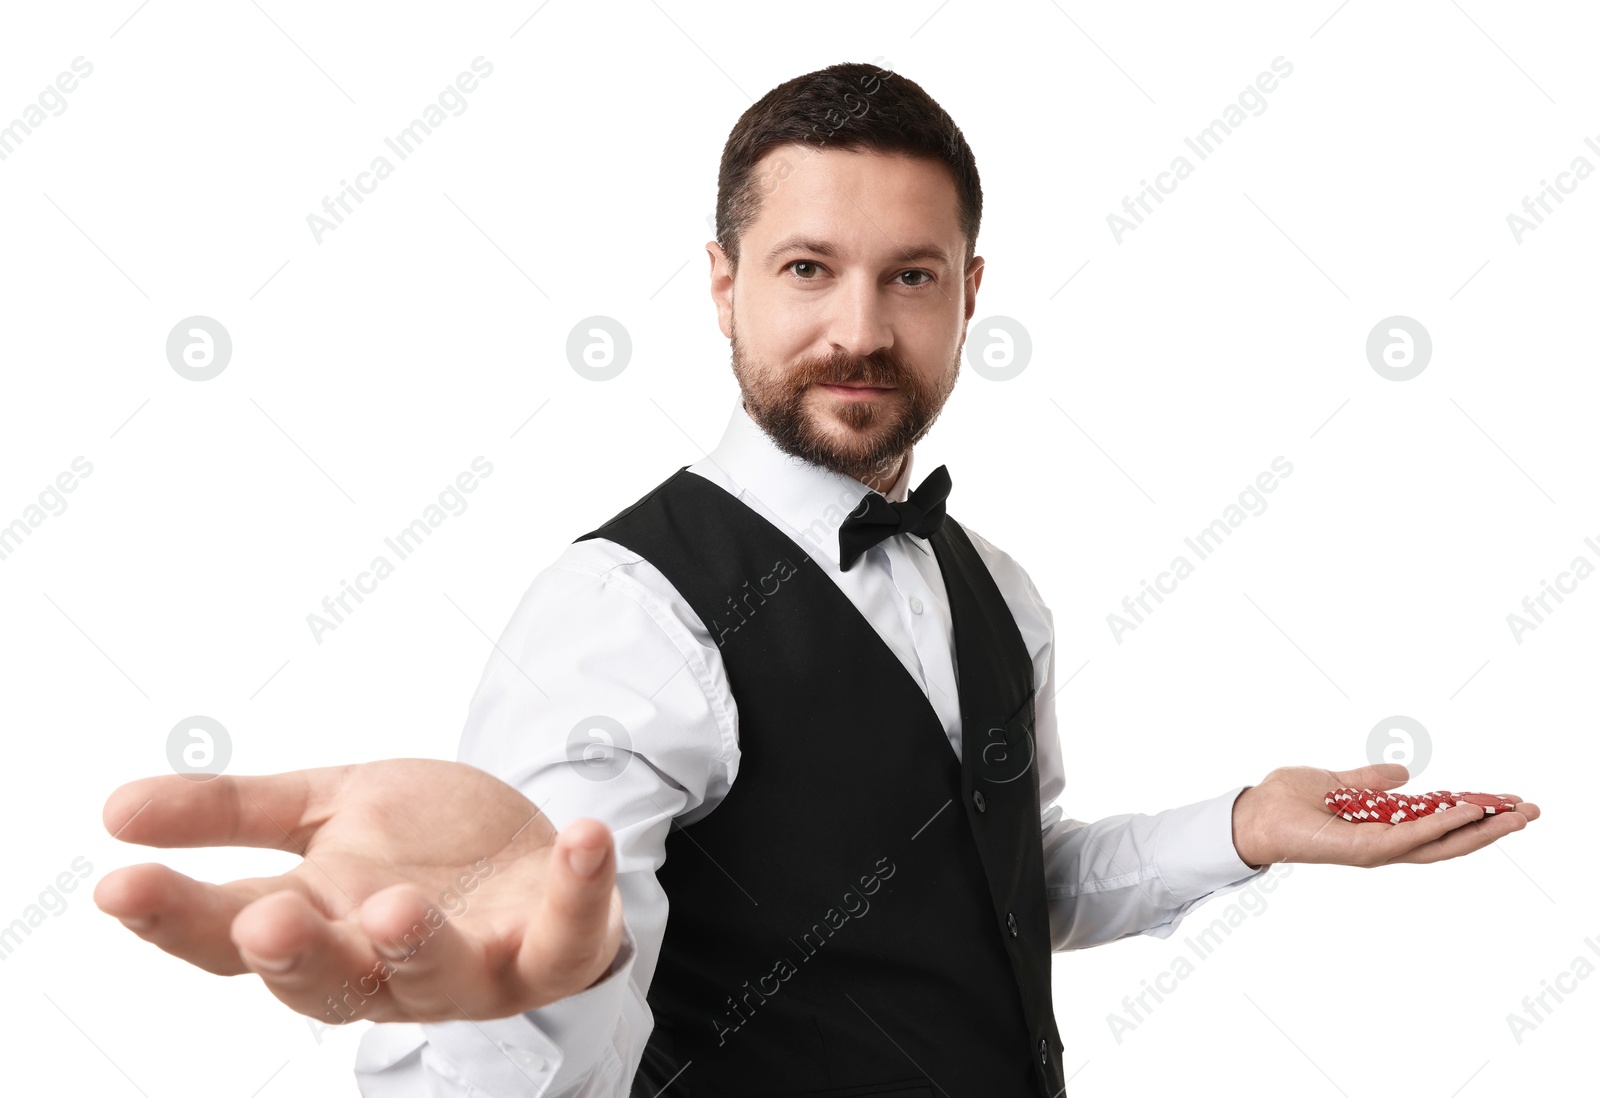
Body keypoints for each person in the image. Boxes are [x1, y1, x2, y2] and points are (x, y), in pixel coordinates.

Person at [95, 62, 1539, 1097]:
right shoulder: (629, 608)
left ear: (973, 292)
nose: (860, 326)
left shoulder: (998, 588)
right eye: (806, 268)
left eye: (911, 277)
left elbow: (999, 880)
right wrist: (529, 993)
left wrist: (1243, 826)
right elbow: (539, 950)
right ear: (723, 286)